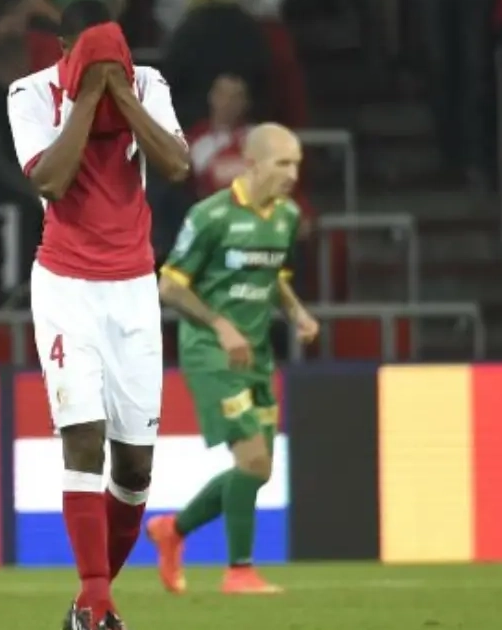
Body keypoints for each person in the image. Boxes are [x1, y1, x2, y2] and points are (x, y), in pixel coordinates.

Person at [5, 2, 189, 629]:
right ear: (65, 47)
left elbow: (176, 165)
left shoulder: (148, 83)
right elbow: (51, 181)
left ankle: (86, 605)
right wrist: (87, 97)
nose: (107, 65)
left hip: (134, 288)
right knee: (82, 438)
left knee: (135, 468)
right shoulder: (29, 93)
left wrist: (122, 95)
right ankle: (97, 601)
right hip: (66, 285)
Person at [147, 123, 318, 595]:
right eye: (283, 163)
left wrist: (297, 312)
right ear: (252, 163)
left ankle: (172, 530)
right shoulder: (211, 216)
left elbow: (273, 276)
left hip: (255, 354)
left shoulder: (286, 217)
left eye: (297, 164)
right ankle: (239, 572)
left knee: (258, 470)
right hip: (211, 352)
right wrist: (220, 326)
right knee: (253, 459)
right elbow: (169, 286)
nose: (292, 173)